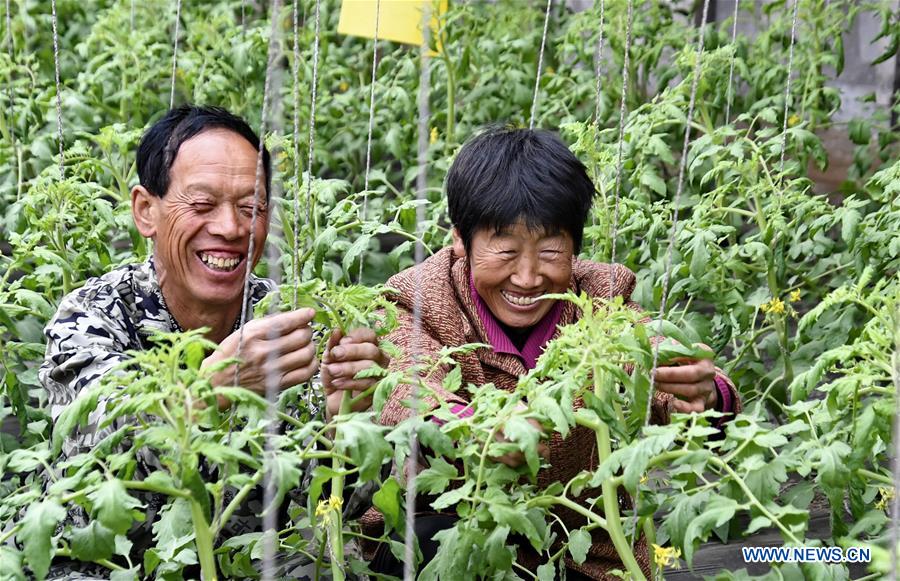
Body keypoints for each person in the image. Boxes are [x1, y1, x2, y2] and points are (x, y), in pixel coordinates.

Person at [363, 126, 741, 579]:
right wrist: (475, 431)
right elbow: (408, 387)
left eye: (549, 250)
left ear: (575, 247)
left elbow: (649, 352)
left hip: (582, 555)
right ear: (461, 239)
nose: (527, 276)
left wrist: (701, 392)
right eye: (505, 250)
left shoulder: (602, 297)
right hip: (458, 538)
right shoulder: (419, 299)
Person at [39, 105, 386, 578]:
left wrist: (346, 423)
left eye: (251, 207)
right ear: (146, 210)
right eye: (202, 205)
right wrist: (207, 393)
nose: (230, 228)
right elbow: (101, 447)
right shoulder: (93, 315)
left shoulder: (289, 323)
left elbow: (323, 513)